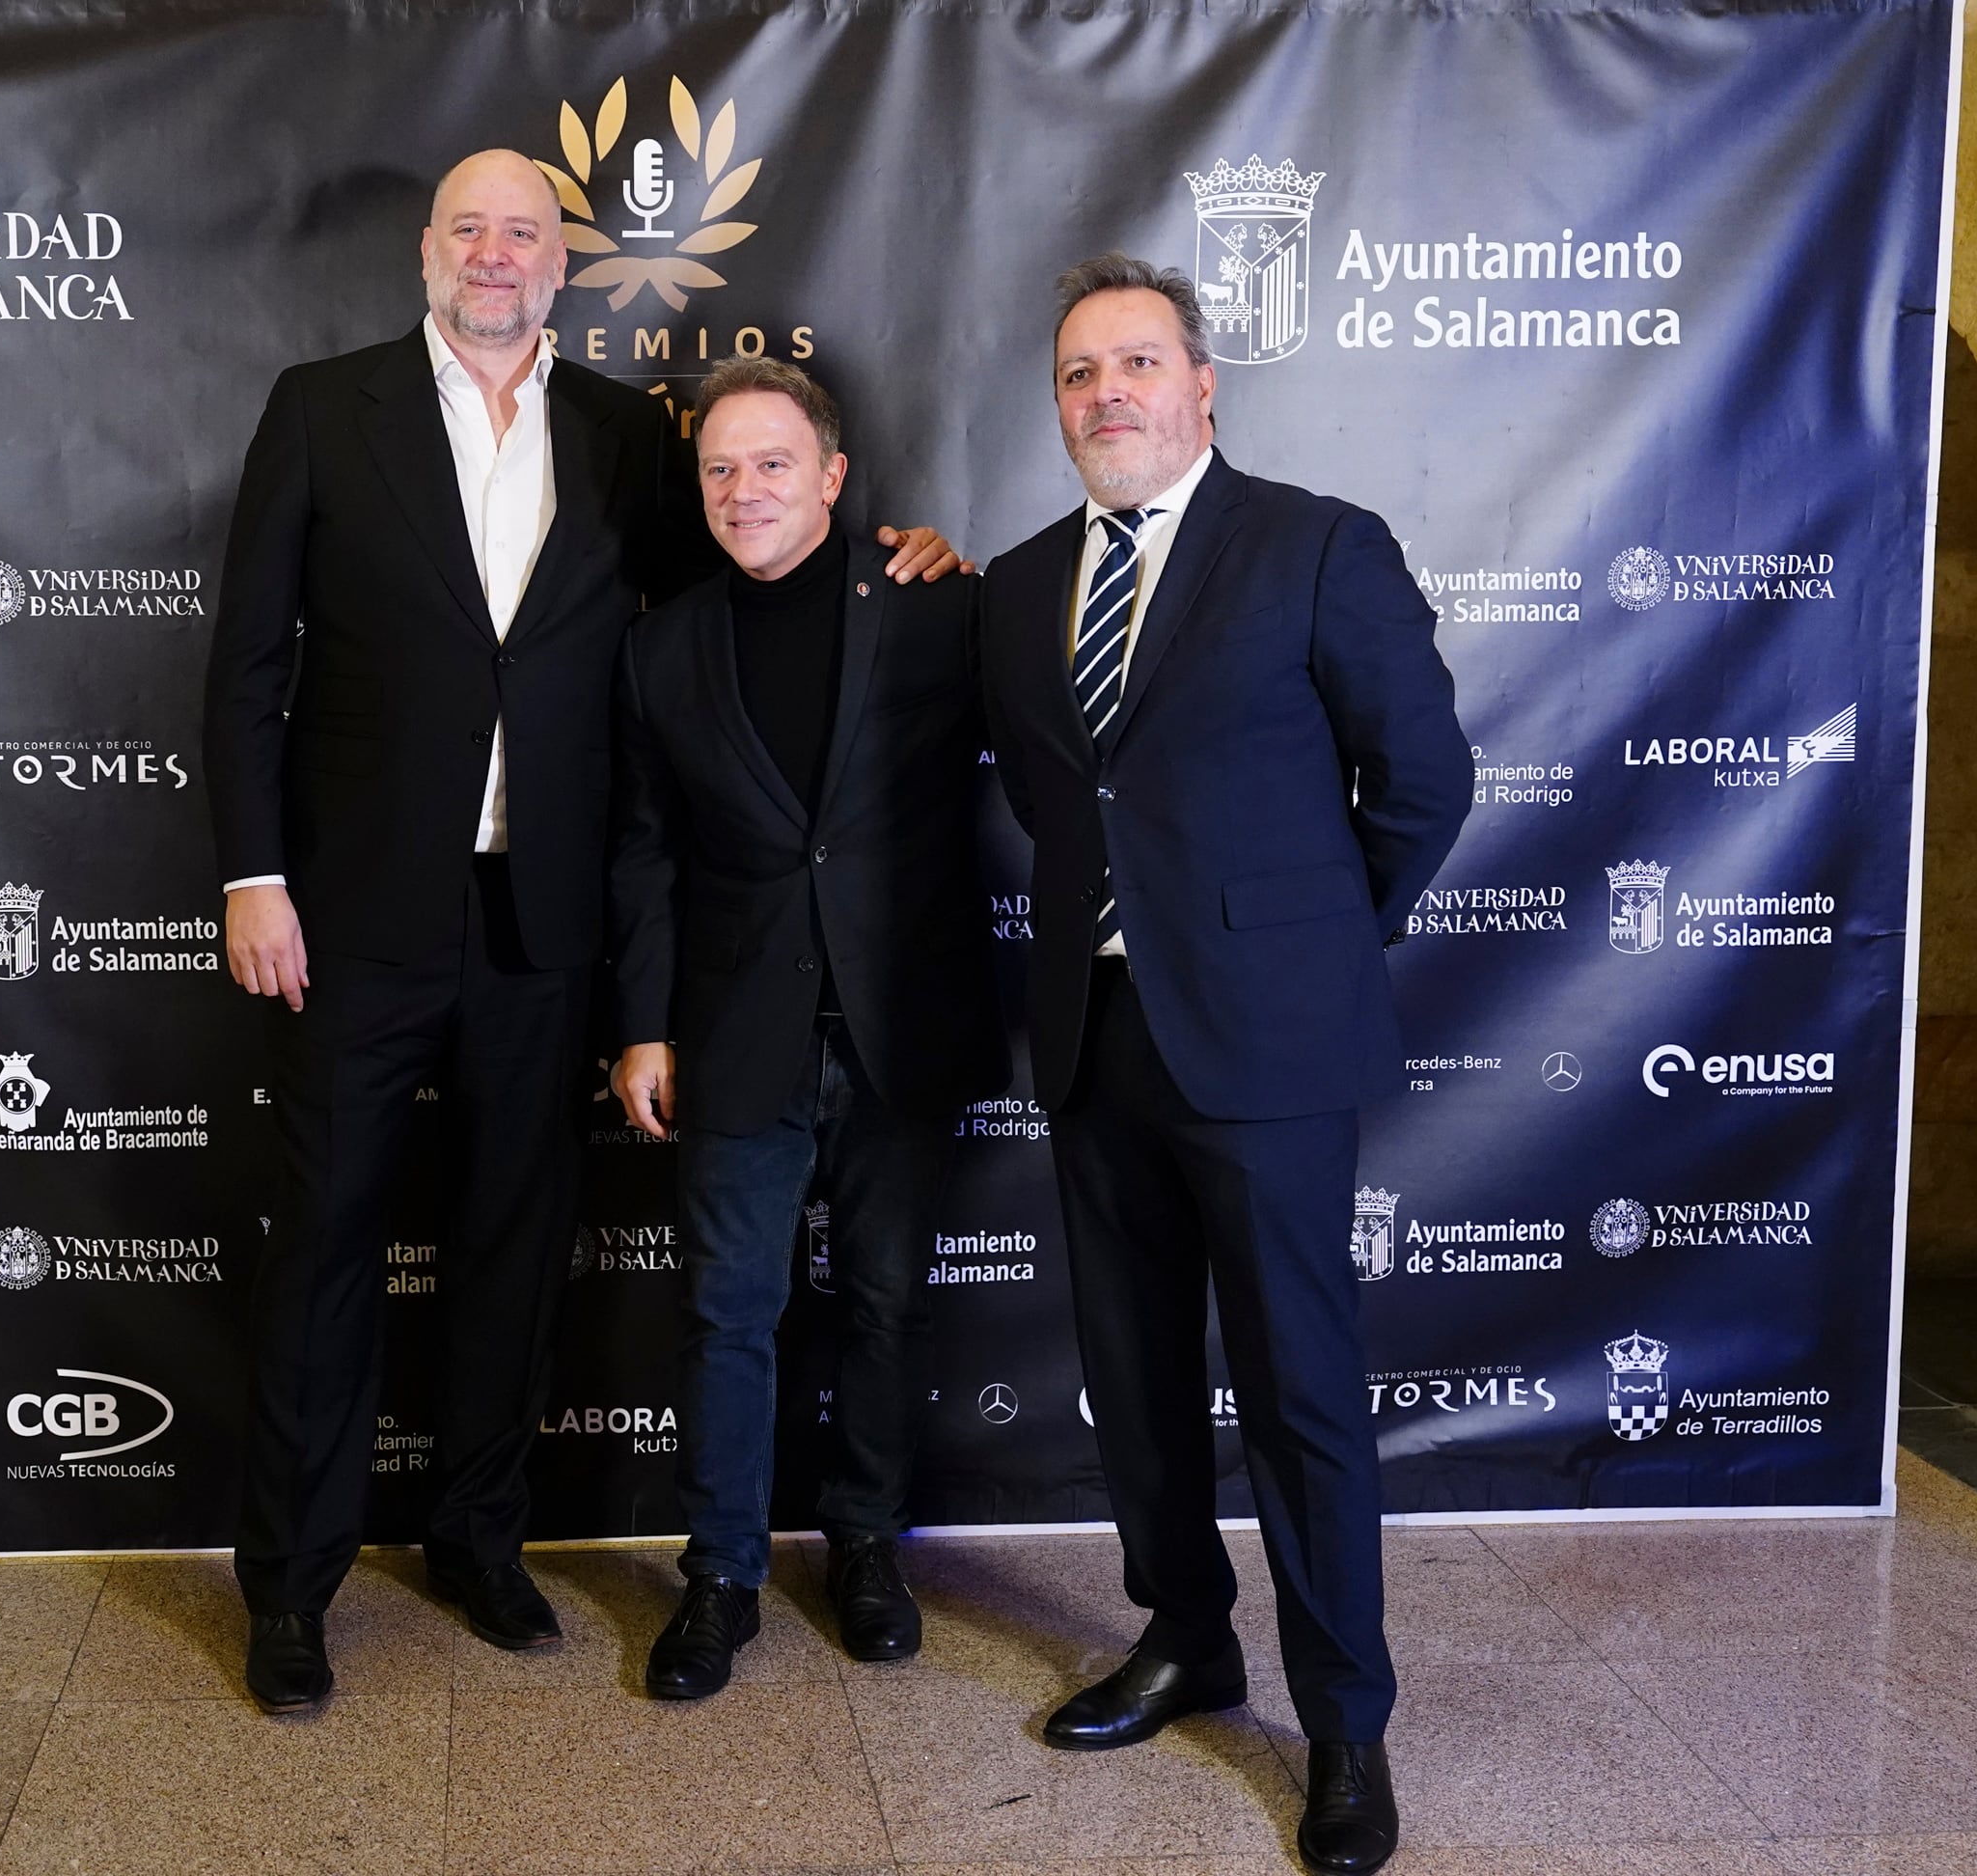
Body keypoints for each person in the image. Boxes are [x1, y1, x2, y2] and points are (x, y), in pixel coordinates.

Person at [203, 149, 958, 1712]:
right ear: (429, 249)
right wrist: (251, 875)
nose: (496, 254)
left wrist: (909, 558)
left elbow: (750, 596)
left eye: (526, 232)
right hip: (354, 913)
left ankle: (479, 1541)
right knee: (327, 1245)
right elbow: (250, 661)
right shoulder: (321, 407)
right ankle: (291, 1587)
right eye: (470, 228)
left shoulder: (627, 436)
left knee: (513, 1244)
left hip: (544, 919)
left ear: (564, 265)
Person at [978, 253, 1469, 1875]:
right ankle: (1187, 1638)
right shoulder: (1020, 582)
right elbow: (1056, 796)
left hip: (1267, 1043)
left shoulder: (1318, 545)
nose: (1106, 393)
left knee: (1299, 1391)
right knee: (1132, 1376)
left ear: (1203, 384)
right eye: (1078, 373)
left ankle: (1344, 1724)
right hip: (1095, 1033)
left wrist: (1303, 946)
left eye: (1137, 363)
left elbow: (1423, 779)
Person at [606, 358, 1000, 1699]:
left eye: (773, 463)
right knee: (728, 1314)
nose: (744, 489)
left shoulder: (937, 606)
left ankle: (869, 1548)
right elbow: (645, 853)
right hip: (733, 1032)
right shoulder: (660, 647)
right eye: (720, 468)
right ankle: (720, 1575)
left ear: (831, 476)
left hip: (903, 1023)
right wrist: (642, 1025)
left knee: (887, 1304)